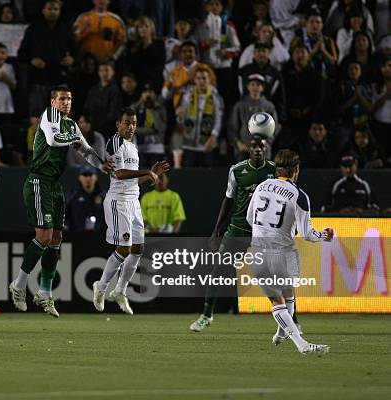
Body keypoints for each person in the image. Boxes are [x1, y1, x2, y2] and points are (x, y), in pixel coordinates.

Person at [8, 85, 112, 318]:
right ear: (53, 101)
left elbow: (85, 150)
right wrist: (75, 138)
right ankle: (19, 284)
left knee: (56, 238)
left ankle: (45, 292)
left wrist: (102, 165)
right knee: (43, 236)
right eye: (62, 99)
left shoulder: (71, 124)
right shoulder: (50, 115)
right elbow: (55, 140)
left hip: (55, 184)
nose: (66, 103)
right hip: (38, 180)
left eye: (69, 99)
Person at [189, 137, 287, 332]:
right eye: (254, 146)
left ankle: (291, 320)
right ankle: (206, 315)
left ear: (266, 149)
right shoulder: (237, 170)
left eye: (261, 146)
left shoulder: (275, 171)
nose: (258, 149)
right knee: (217, 272)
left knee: (277, 276)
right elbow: (228, 199)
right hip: (238, 229)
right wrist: (217, 229)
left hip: (264, 231)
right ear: (248, 149)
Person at [247, 149, 333, 355]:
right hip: (283, 253)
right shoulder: (299, 195)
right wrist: (325, 235)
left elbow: (250, 218)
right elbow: (308, 234)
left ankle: (281, 333)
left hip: (259, 250)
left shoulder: (261, 187)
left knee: (280, 299)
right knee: (286, 297)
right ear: (296, 169)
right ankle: (302, 344)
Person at [93, 107, 169, 315]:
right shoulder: (114, 142)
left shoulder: (132, 146)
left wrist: (151, 173)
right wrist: (147, 171)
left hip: (133, 201)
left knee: (138, 249)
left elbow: (134, 179)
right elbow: (118, 174)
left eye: (134, 123)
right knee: (124, 248)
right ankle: (100, 287)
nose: (131, 127)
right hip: (118, 202)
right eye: (127, 122)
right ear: (118, 124)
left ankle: (120, 291)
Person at [173, 67, 224, 167]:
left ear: (209, 80)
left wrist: (213, 137)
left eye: (204, 78)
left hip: (207, 144)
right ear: (195, 80)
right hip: (189, 145)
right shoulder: (188, 96)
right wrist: (179, 116)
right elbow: (181, 119)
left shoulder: (215, 97)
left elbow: (218, 120)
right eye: (199, 78)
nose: (201, 81)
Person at [228, 74, 278, 161]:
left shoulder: (269, 106)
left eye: (258, 85)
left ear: (262, 88)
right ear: (247, 87)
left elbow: (275, 127)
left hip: (263, 151)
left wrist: (267, 142)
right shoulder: (239, 105)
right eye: (252, 84)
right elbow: (232, 127)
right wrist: (238, 143)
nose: (255, 87)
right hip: (243, 150)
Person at [65, 165, 106, 233]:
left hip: (100, 237)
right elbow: (66, 216)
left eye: (90, 175)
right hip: (77, 236)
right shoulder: (73, 195)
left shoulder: (104, 196)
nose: (88, 178)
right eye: (85, 175)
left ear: (96, 177)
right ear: (79, 178)